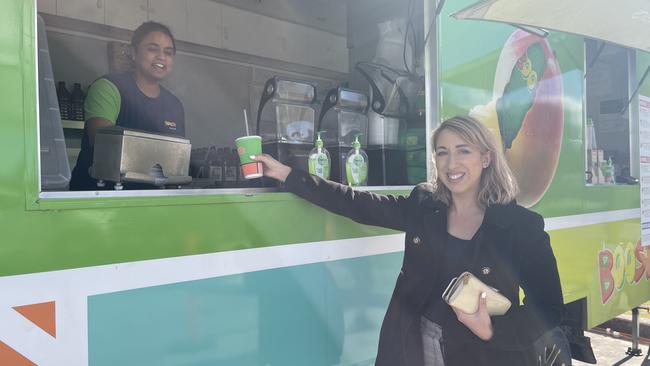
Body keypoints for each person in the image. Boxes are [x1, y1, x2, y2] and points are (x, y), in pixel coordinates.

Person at [253, 115, 565, 366]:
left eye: (463, 151)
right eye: (442, 153)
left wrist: (491, 330)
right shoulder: (424, 204)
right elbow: (357, 203)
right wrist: (289, 175)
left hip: (482, 353)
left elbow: (548, 310)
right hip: (415, 343)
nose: (451, 163)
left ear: (486, 158)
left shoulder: (522, 227)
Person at [70, 21, 185, 190]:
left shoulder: (174, 105)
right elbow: (104, 144)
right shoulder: (108, 88)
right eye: (153, 49)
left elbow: (177, 158)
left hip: (150, 201)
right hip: (100, 197)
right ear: (133, 52)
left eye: (168, 52)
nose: (161, 57)